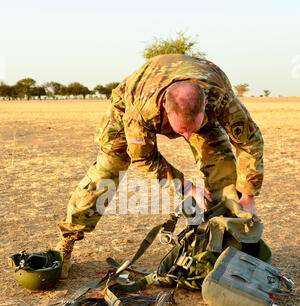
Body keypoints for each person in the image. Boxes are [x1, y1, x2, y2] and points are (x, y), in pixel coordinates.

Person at [56, 54, 264, 279]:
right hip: (130, 103)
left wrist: (249, 195)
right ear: (165, 107)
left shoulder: (220, 97)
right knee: (107, 171)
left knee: (222, 166)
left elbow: (249, 141)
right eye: (181, 130)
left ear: (205, 104)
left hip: (201, 101)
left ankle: (223, 239)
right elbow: (144, 158)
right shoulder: (140, 110)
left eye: (191, 128)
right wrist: (184, 186)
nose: (187, 136)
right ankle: (67, 241)